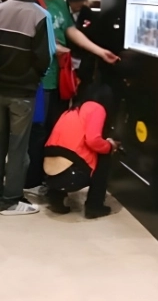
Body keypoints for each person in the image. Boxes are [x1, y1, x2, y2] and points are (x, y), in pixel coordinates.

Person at [27, 0, 119, 196]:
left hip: (60, 79)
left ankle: (51, 180)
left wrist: (99, 51)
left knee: (54, 130)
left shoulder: (59, 3)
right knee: (37, 133)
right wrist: (54, 48)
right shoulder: (32, 1)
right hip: (39, 80)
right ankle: (33, 179)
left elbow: (70, 31)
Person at [0, 0, 53, 215]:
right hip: (23, 92)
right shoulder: (41, 15)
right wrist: (34, 78)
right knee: (18, 148)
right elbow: (45, 56)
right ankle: (11, 199)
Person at [44, 84, 117, 217]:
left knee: (70, 153)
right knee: (104, 156)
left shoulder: (72, 110)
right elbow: (93, 140)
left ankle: (55, 196)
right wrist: (110, 146)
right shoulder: (96, 108)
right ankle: (94, 206)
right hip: (72, 174)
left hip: (50, 172)